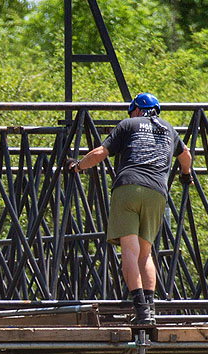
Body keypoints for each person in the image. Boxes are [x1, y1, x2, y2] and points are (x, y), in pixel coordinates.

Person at [65, 93, 193, 325]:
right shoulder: (169, 129)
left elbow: (100, 153)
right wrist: (186, 176)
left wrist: (78, 166)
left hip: (128, 188)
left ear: (136, 109)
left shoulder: (129, 124)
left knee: (130, 253)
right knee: (146, 254)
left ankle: (141, 311)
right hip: (157, 192)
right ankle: (151, 311)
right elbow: (186, 155)